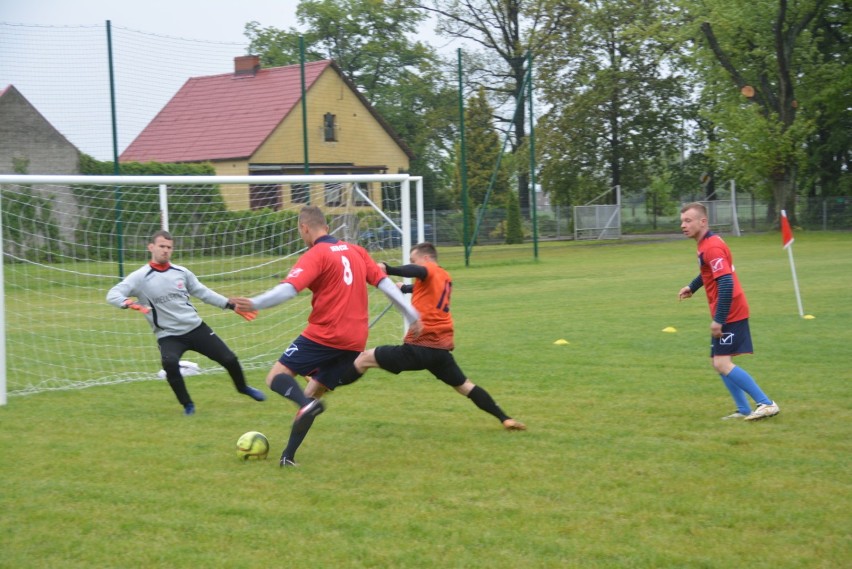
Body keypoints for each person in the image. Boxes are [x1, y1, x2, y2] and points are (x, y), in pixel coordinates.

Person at [231, 206, 420, 467]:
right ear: (327, 228)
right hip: (355, 340)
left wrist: (255, 303)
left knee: (276, 377)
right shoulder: (357, 251)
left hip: (324, 334)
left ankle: (303, 408)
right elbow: (385, 283)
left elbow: (288, 290)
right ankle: (288, 457)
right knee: (313, 392)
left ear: (304, 228)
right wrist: (411, 315)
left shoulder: (316, 254)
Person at [342, 242, 526, 431]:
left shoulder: (427, 269)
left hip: (418, 347)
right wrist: (404, 288)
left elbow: (419, 271)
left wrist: (389, 268)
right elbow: (425, 289)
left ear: (427, 258)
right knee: (465, 387)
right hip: (441, 351)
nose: (414, 264)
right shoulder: (445, 277)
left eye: (414, 260)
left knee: (364, 359)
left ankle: (324, 384)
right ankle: (505, 418)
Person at [107, 230, 266, 415]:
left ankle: (243, 388)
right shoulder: (140, 277)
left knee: (229, 358)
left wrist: (230, 305)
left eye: (169, 247)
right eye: (161, 246)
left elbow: (203, 293)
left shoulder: (181, 272)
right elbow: (113, 294)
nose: (165, 250)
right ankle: (188, 405)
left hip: (195, 328)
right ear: (151, 247)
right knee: (170, 363)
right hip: (168, 335)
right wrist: (127, 303)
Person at [677, 203, 779, 421]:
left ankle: (766, 403)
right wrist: (692, 287)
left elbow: (726, 283)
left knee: (722, 363)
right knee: (718, 362)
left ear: (703, 222)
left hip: (731, 311)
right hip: (728, 309)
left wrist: (719, 320)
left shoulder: (711, 247)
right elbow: (710, 273)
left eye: (688, 221)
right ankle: (743, 409)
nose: (683, 225)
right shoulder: (706, 243)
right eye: (682, 221)